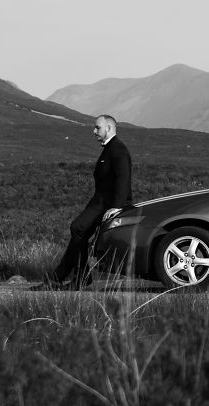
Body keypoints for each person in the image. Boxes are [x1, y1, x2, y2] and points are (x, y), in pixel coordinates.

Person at [32, 115, 132, 291]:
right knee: (79, 233)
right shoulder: (111, 148)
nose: (94, 131)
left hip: (106, 204)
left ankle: (76, 278)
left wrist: (117, 207)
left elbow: (123, 179)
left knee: (78, 229)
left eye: (97, 128)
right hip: (100, 202)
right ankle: (61, 278)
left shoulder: (118, 149)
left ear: (108, 128)